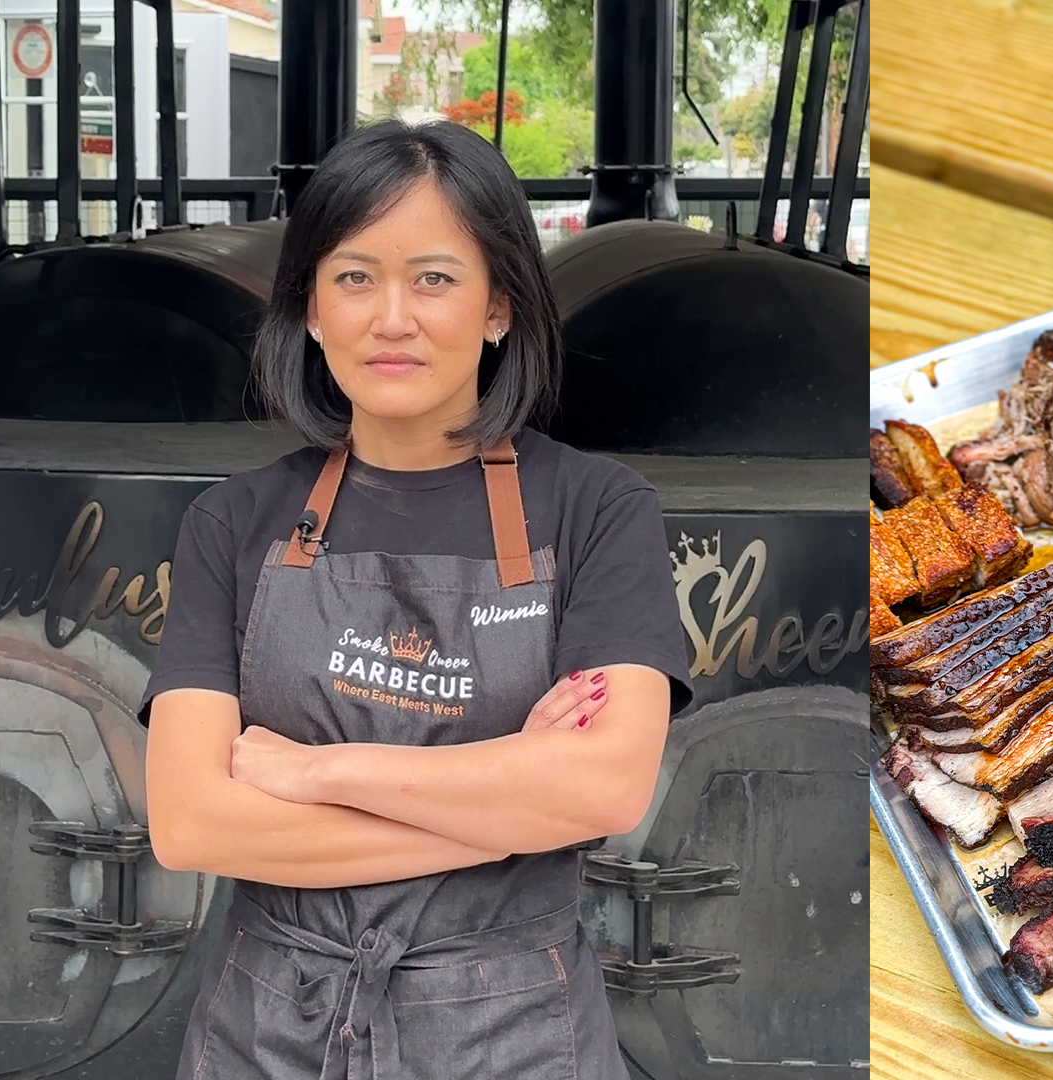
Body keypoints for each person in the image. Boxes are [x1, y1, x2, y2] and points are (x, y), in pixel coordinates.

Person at [141, 118, 690, 1078]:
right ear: (310, 307)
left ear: (499, 307)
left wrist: (317, 773)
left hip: (515, 1037)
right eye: (354, 277)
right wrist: (512, 789)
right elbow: (193, 823)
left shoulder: (597, 509)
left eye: (434, 277)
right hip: (266, 1035)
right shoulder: (234, 521)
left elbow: (604, 787)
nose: (391, 316)